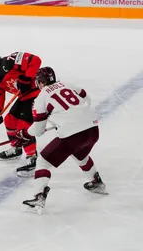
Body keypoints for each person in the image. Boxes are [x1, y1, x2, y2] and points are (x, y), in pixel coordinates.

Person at [13, 66, 108, 214]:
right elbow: (87, 99)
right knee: (80, 154)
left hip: (73, 134)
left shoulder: (41, 97)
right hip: (93, 129)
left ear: (40, 82)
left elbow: (38, 130)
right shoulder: (67, 84)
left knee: (43, 161)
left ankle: (39, 197)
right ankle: (97, 182)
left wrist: (24, 133)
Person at [0, 49, 42, 177]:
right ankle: (16, 148)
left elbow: (35, 60)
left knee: (23, 124)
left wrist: (26, 78)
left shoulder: (9, 62)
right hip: (24, 96)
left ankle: (32, 157)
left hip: (38, 93)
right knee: (9, 120)